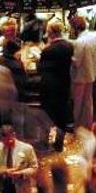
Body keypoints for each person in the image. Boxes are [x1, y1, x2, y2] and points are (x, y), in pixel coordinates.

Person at [38, 21, 74, 152]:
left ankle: (44, 143)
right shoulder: (69, 46)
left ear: (50, 33)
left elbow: (40, 68)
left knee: (46, 115)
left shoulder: (48, 50)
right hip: (64, 85)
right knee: (61, 115)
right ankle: (59, 144)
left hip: (48, 87)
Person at [70, 16, 96, 129]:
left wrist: (68, 56)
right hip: (91, 73)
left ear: (75, 28)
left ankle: (78, 125)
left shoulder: (79, 42)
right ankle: (87, 124)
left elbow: (76, 61)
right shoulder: (92, 37)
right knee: (88, 102)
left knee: (78, 103)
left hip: (80, 77)